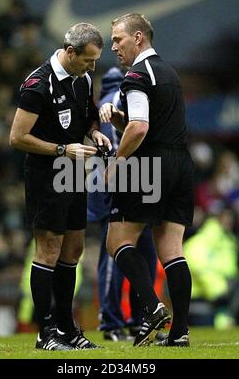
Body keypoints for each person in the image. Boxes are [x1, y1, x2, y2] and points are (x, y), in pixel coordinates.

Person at [10, 23, 111, 350]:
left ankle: (67, 329)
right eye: (88, 60)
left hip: (74, 174)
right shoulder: (38, 84)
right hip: (46, 177)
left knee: (74, 250)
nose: (92, 67)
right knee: (49, 250)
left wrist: (95, 133)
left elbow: (88, 117)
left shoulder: (82, 79)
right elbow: (17, 137)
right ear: (70, 52)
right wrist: (61, 149)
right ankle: (45, 333)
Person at [99, 13, 194, 347]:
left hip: (150, 166)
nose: (113, 47)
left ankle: (153, 308)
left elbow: (140, 128)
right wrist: (123, 119)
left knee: (117, 241)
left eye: (118, 40)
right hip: (180, 164)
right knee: (172, 251)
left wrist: (117, 162)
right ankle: (180, 332)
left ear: (138, 38)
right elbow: (148, 123)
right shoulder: (169, 72)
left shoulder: (136, 75)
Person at [87, 67, 157, 341]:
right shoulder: (117, 100)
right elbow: (122, 145)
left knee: (126, 254)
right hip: (122, 184)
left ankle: (133, 320)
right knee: (120, 254)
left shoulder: (104, 103)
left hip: (118, 184)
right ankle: (114, 322)